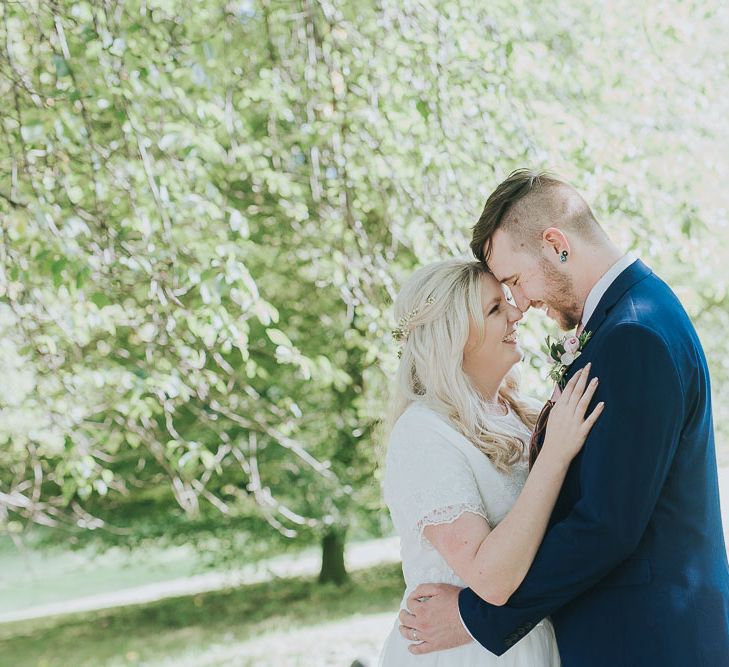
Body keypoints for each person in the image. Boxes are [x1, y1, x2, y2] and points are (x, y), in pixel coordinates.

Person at [399, 170, 729, 666]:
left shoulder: (634, 335)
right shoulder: (632, 317)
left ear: (556, 245)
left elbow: (607, 525)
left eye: (514, 281)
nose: (522, 304)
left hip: (649, 641)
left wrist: (474, 618)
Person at [378, 258, 604, 666]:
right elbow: (492, 581)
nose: (517, 313)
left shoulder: (525, 412)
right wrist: (554, 456)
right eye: (495, 309)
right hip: (468, 654)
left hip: (539, 639)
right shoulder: (424, 434)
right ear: (456, 335)